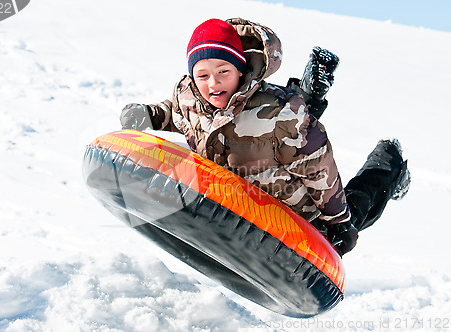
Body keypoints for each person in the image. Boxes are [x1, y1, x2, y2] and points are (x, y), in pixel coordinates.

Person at [119, 18, 410, 256]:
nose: (214, 83)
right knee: (284, 126)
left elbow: (318, 166)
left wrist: (339, 222)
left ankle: (389, 162)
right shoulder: (189, 98)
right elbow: (176, 113)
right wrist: (150, 114)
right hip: (238, 198)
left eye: (223, 71)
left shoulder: (279, 114)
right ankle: (308, 95)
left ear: (241, 69)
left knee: (354, 207)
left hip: (294, 213)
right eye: (202, 75)